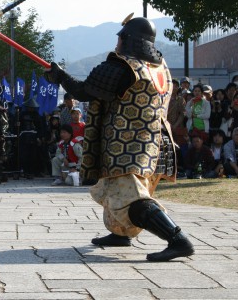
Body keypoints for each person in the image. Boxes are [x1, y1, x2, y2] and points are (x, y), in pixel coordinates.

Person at [44, 15, 194, 262]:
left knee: (131, 197)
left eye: (120, 37)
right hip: (157, 142)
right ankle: (121, 233)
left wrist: (60, 76)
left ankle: (178, 239)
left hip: (131, 146)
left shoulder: (126, 67)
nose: (117, 43)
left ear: (128, 40)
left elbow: (85, 91)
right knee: (113, 189)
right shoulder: (159, 66)